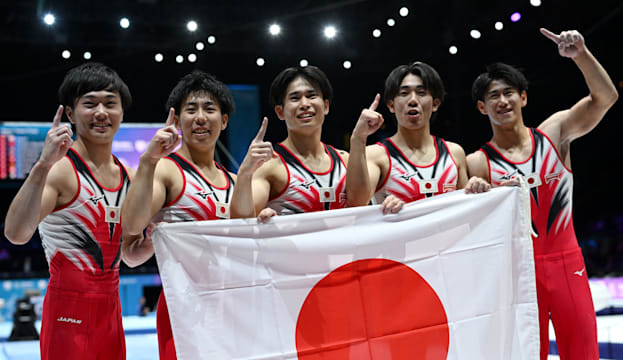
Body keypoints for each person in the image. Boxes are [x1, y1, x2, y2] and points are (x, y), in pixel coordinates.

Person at [466, 28, 618, 360]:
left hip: (567, 266)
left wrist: (581, 55)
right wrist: (471, 190)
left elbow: (606, 98)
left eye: (509, 92)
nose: (503, 101)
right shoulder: (476, 163)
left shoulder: (555, 133)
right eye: (493, 95)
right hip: (517, 274)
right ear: (481, 107)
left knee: (583, 353)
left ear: (523, 97)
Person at [4, 62, 135, 360]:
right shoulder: (60, 171)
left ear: (122, 113)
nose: (101, 113)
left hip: (112, 310)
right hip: (68, 310)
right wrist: (42, 166)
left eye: (110, 104)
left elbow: (132, 252)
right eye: (89, 104)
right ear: (70, 114)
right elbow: (15, 234)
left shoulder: (130, 174)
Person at [120, 70, 236, 360]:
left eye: (209, 109)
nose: (200, 118)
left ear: (223, 120)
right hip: (183, 306)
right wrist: (148, 161)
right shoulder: (167, 171)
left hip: (232, 303)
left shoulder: (235, 182)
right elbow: (132, 226)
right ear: (177, 120)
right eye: (191, 109)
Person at [230, 65, 403, 220]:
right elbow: (241, 220)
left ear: (326, 106)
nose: (305, 104)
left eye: (311, 96)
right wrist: (245, 172)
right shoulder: (271, 166)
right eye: (295, 98)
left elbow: (359, 203)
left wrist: (358, 139)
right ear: (280, 112)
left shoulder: (345, 160)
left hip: (344, 255)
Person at [347, 61, 489, 208]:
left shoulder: (454, 153)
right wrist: (358, 138)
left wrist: (477, 190)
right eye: (404, 93)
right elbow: (356, 202)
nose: (413, 100)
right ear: (391, 105)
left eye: (421, 93)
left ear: (435, 104)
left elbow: (466, 210)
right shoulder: (376, 155)